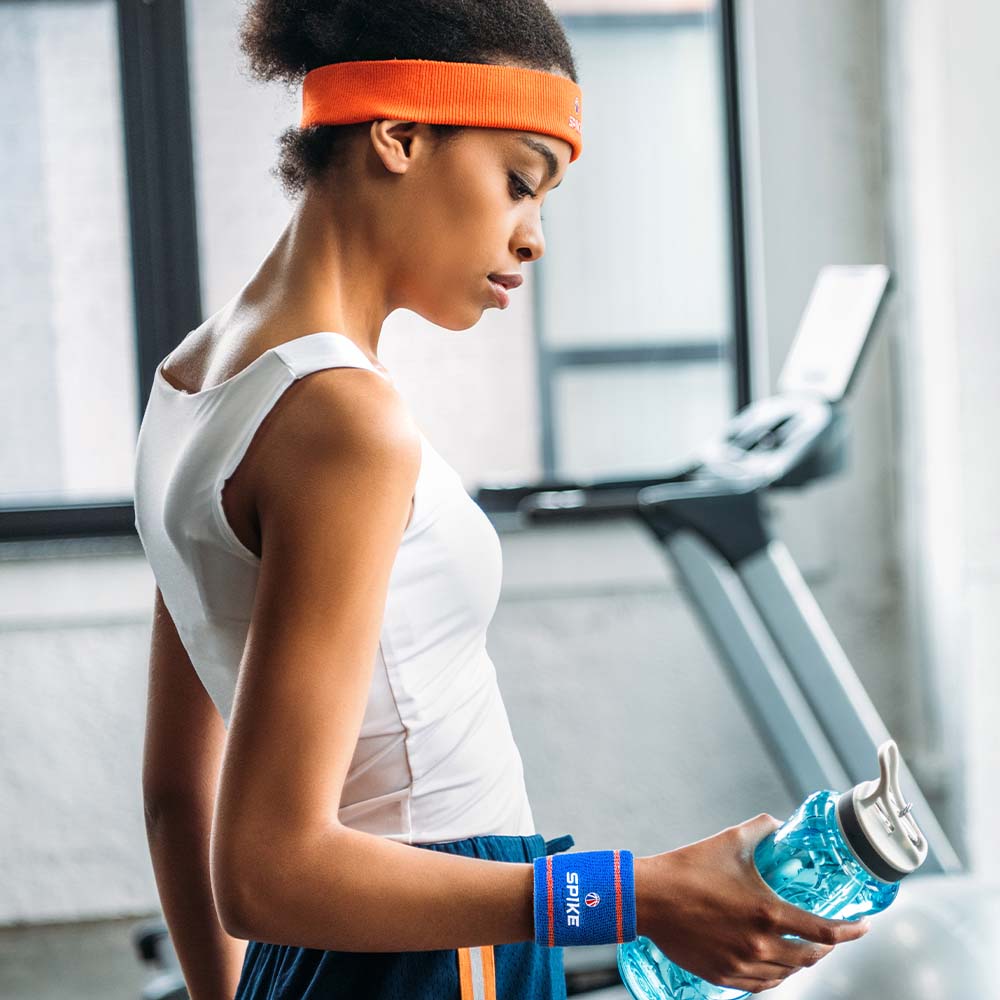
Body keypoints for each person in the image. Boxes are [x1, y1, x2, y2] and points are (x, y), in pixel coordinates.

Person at [134, 1, 870, 998]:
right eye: (519, 182)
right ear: (398, 134)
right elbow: (268, 866)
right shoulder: (342, 420)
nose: (532, 239)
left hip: (326, 966)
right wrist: (634, 895)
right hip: (429, 957)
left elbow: (182, 796)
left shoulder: (192, 377)